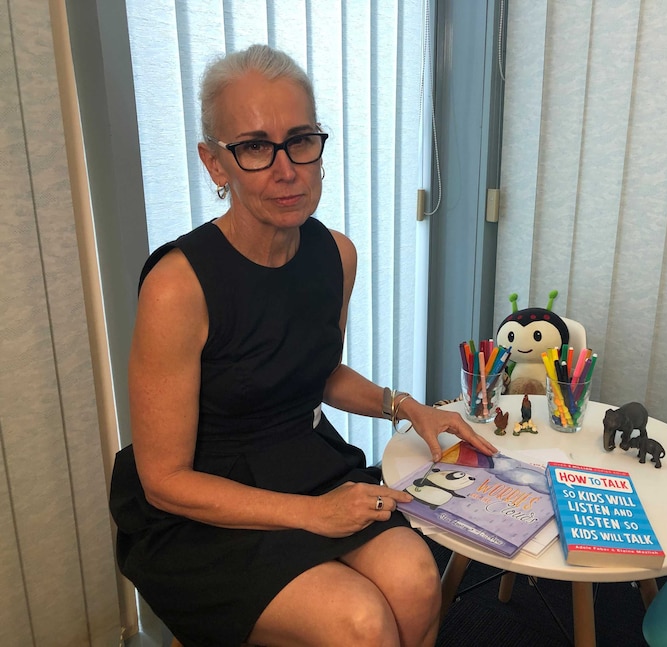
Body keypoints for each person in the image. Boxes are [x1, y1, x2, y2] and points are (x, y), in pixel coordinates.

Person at [109, 43, 497, 647]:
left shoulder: (334, 253)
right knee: (360, 622)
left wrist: (409, 407)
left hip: (301, 460)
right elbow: (164, 479)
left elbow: (314, 373)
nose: (287, 168)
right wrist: (313, 515)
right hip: (204, 502)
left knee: (418, 579)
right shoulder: (178, 286)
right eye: (256, 147)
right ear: (217, 165)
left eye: (301, 140)